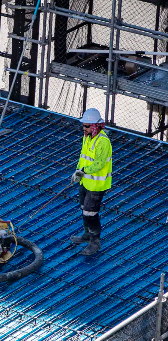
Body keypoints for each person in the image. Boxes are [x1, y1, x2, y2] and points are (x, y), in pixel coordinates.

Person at [69, 108, 113, 256]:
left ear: (95, 126)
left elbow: (99, 164)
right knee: (84, 209)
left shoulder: (103, 142)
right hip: (85, 181)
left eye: (87, 126)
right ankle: (87, 235)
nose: (84, 128)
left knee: (90, 212)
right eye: (83, 125)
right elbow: (83, 158)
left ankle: (95, 242)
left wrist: (83, 171)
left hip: (97, 184)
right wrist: (77, 172)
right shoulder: (87, 137)